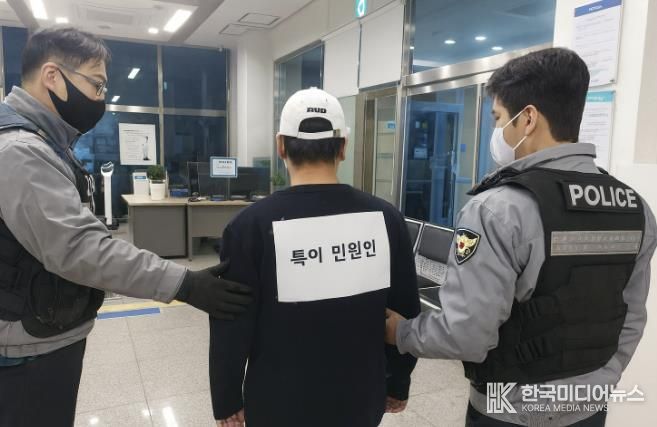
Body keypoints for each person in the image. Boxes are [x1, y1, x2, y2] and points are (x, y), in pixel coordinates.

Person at [385, 47, 657, 426]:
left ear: (527, 118)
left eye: (498, 118)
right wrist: (595, 383)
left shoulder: (498, 208)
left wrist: (400, 331)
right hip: (590, 408)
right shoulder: (635, 207)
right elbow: (631, 318)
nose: (496, 130)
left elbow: (466, 334)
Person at [0, 28, 252, 427]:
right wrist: (184, 284)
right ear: (52, 76)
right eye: (96, 85)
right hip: (25, 347)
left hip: (41, 330)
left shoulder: (45, 143)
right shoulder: (21, 151)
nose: (100, 98)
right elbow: (80, 248)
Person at [208, 87, 421, 427]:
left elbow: (232, 323)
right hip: (360, 395)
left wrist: (227, 399)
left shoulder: (249, 226)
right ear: (343, 147)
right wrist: (398, 381)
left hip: (277, 401)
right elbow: (405, 309)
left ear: (281, 146)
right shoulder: (385, 219)